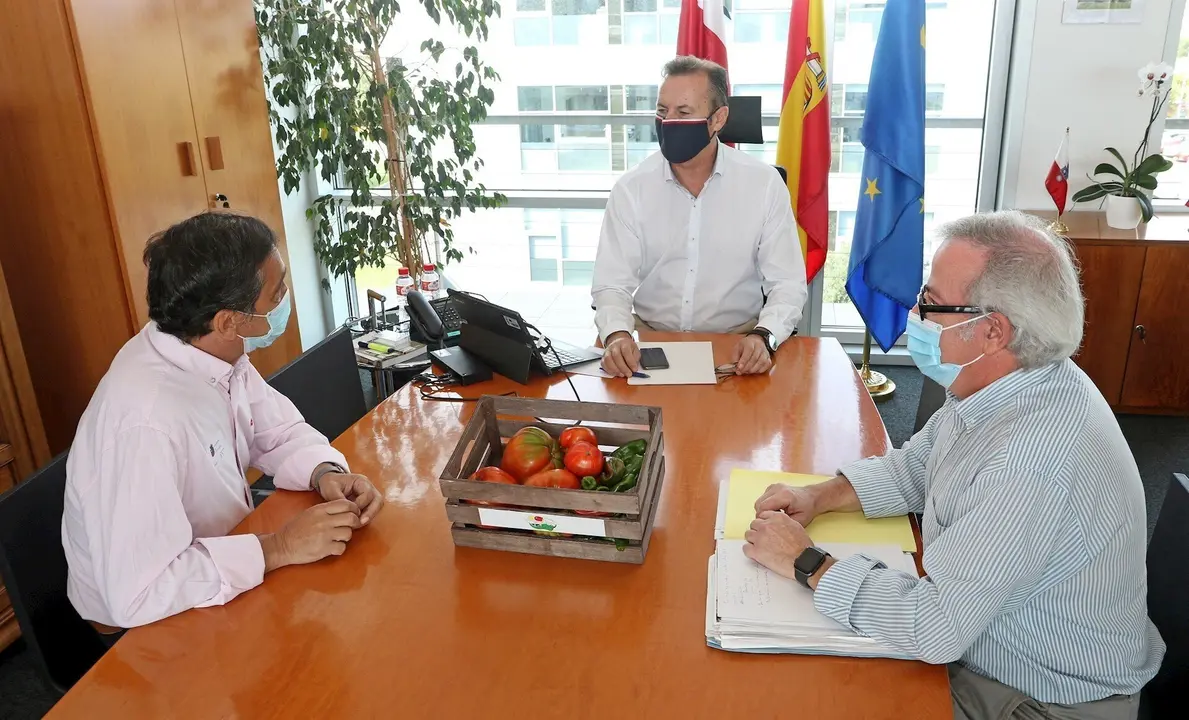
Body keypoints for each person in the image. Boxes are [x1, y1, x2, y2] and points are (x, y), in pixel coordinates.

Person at [743, 211, 1164, 719]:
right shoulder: (1007, 382)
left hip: (1038, 698)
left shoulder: (1027, 458)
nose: (914, 312)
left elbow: (934, 628)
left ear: (992, 331)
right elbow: (920, 466)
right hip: (988, 648)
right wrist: (818, 496)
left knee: (799, 697)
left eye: (931, 302)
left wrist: (807, 563)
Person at [63, 212, 384, 634]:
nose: (285, 301)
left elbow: (276, 431)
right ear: (228, 321)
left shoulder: (209, 352)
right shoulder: (145, 422)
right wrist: (278, 547)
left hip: (223, 554)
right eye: (276, 293)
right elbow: (138, 594)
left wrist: (325, 472)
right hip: (149, 623)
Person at [592, 56, 808, 377]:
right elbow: (611, 284)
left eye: (683, 113)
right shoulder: (631, 188)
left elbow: (788, 284)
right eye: (662, 111)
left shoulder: (763, 184)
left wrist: (765, 337)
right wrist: (617, 335)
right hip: (650, 342)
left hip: (737, 343)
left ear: (718, 119)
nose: (668, 122)